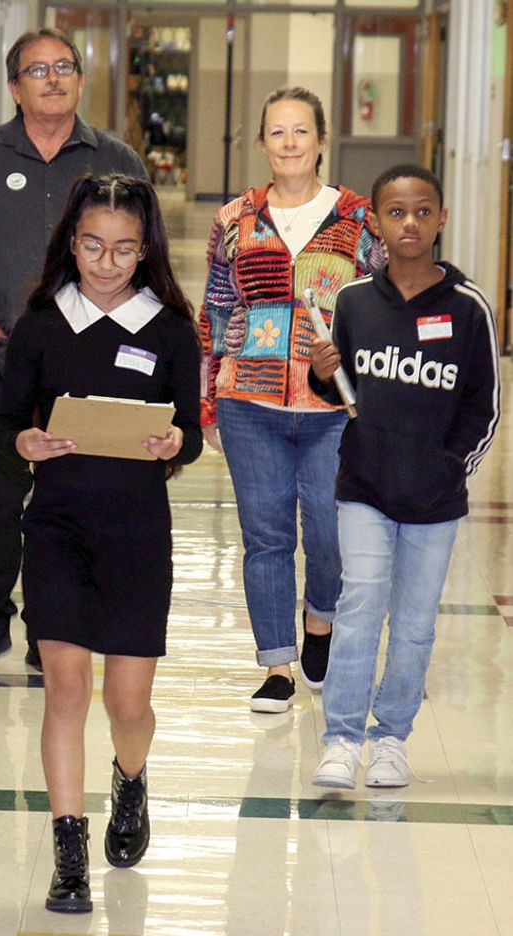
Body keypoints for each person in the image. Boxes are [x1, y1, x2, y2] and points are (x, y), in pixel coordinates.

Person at [0, 174, 201, 913]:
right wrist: (27, 439)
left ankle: (130, 777)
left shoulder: (171, 328)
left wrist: (176, 440)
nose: (106, 262)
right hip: (57, 528)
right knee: (66, 688)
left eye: (123, 248)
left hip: (138, 534)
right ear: (70, 243)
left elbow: (193, 436)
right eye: (92, 245)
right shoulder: (45, 322)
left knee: (126, 701)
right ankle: (68, 851)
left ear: (145, 249)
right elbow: (6, 424)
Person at [0, 27, 148, 675]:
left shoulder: (117, 160)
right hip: (3, 362)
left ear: (81, 80)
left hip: (89, 366)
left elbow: (145, 249)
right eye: (37, 70)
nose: (52, 79)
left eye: (63, 67)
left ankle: (53, 623)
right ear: (14, 88)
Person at [309, 165, 500, 789]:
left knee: (415, 623)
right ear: (376, 223)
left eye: (423, 211)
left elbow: (484, 405)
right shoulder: (354, 302)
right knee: (360, 603)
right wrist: (320, 370)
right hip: (363, 486)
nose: (409, 223)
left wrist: (449, 468)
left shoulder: (469, 309)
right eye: (395, 212)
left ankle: (390, 737)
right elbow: (341, 391)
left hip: (435, 500)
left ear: (441, 219)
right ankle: (340, 738)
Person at [198, 86, 384, 713]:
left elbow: (386, 311)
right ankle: (276, 663)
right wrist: (206, 399)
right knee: (266, 534)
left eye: (300, 131)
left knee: (329, 531)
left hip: (332, 405)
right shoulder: (234, 219)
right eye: (277, 133)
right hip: (249, 401)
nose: (289, 144)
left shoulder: (359, 219)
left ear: (321, 141)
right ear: (262, 143)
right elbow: (216, 310)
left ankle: (320, 621)